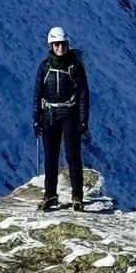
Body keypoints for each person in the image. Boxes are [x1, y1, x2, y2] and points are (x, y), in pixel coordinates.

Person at [33, 26, 89, 211]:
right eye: (57, 44)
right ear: (51, 45)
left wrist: (83, 119)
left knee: (73, 156)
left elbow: (83, 93)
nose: (60, 47)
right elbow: (37, 93)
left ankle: (77, 196)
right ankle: (50, 194)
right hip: (50, 116)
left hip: (70, 116)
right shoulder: (44, 67)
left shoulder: (75, 66)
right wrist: (36, 118)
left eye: (63, 44)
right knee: (51, 158)